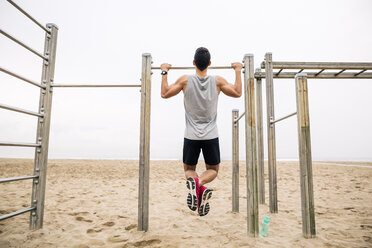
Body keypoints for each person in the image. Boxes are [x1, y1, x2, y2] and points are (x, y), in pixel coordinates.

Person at [160, 47, 242, 216]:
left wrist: (164, 72)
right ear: (210, 64)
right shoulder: (218, 81)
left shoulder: (185, 80)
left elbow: (164, 93)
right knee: (213, 169)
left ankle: (194, 183)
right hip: (211, 135)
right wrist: (238, 70)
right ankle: (200, 184)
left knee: (189, 169)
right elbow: (237, 92)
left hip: (191, 135)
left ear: (193, 63)